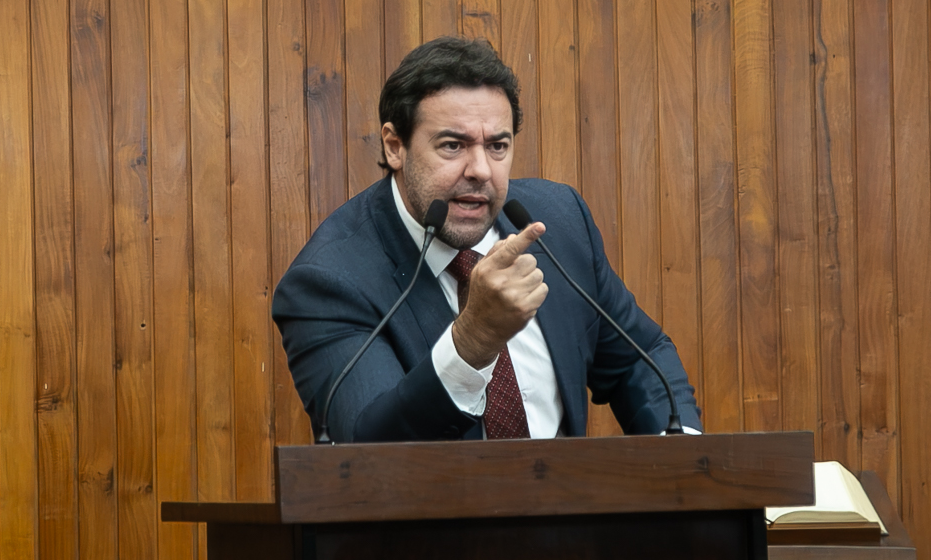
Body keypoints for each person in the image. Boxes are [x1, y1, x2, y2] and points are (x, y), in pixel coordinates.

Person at [272, 36, 702, 442]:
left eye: (497, 146)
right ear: (394, 146)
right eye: (452, 145)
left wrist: (683, 458)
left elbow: (639, 358)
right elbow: (368, 451)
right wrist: (472, 341)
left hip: (567, 497)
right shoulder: (330, 281)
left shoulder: (559, 221)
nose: (480, 170)